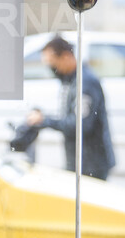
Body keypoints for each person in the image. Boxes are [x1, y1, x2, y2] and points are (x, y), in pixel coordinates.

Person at [25, 35, 115, 181]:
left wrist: (44, 120)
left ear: (66, 56)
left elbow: (80, 124)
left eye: (53, 65)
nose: (52, 70)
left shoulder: (85, 83)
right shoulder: (71, 80)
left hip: (90, 163)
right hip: (80, 160)